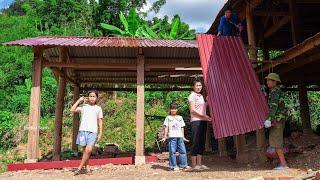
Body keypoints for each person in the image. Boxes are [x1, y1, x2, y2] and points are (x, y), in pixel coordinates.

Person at [70, 90, 104, 175]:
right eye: (90, 96)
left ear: (96, 98)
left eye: (94, 96)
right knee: (85, 151)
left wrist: (100, 133)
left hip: (93, 131)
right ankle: (87, 168)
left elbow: (100, 121)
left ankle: (79, 168)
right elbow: (72, 109)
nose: (92, 98)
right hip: (83, 131)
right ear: (88, 97)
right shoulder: (83, 106)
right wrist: (79, 100)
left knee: (89, 150)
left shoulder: (98, 108)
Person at [263, 73, 289, 170]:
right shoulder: (274, 91)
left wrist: (269, 119)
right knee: (276, 142)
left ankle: (283, 165)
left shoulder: (275, 92)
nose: (267, 82)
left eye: (269, 80)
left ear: (275, 82)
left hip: (277, 120)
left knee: (277, 142)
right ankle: (281, 163)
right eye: (267, 80)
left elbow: (274, 106)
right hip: (277, 120)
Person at [188, 79, 211, 170]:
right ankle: (194, 165)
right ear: (193, 87)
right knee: (195, 142)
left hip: (202, 121)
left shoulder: (201, 96)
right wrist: (204, 116)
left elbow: (202, 107)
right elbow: (193, 110)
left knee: (201, 142)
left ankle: (199, 164)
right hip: (196, 121)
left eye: (200, 85)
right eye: (197, 85)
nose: (198, 87)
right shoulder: (192, 96)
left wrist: (207, 102)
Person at [161, 103, 191, 171]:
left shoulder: (180, 117)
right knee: (172, 152)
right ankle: (173, 166)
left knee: (183, 151)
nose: (173, 110)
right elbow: (166, 127)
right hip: (172, 137)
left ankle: (183, 165)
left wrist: (183, 137)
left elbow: (182, 127)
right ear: (170, 109)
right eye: (172, 109)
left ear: (177, 109)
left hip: (180, 136)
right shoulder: (168, 118)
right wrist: (165, 136)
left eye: (175, 109)